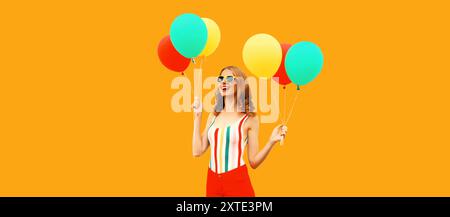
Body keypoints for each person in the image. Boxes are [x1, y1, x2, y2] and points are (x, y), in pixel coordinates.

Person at [192, 66, 288, 197]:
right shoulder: (213, 115)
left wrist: (271, 141)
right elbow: (197, 151)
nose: (223, 82)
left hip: (237, 181)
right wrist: (197, 116)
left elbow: (253, 162)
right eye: (221, 78)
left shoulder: (249, 119)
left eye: (230, 78)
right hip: (212, 181)